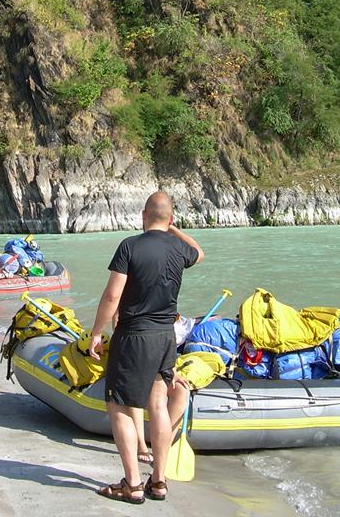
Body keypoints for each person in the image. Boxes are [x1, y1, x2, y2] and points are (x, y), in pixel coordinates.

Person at [88, 191, 204, 504]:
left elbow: (113, 296)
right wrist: (174, 229)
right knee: (158, 405)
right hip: (166, 337)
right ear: (170, 218)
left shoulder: (130, 246)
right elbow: (199, 252)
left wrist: (97, 332)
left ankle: (133, 484)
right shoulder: (179, 247)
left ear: (143, 215)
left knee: (122, 408)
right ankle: (159, 481)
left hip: (134, 337)